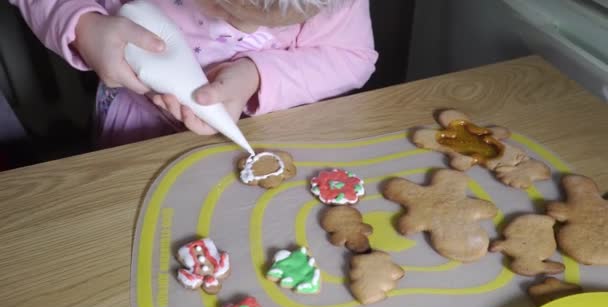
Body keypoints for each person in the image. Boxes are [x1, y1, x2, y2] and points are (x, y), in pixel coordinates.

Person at [9, 0, 377, 148]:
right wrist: (85, 27)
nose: (245, 27)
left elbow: (352, 57)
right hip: (135, 133)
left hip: (266, 132)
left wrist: (257, 76)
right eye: (229, 10)